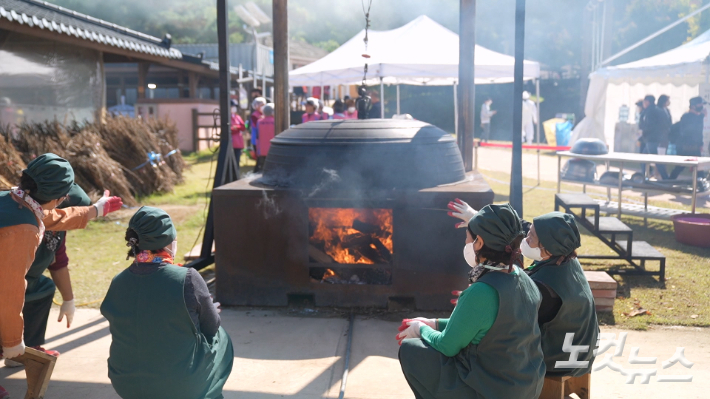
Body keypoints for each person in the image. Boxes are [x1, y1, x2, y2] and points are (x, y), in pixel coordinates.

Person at [0, 154, 122, 398]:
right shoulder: (24, 230)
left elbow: (50, 217)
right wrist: (13, 340)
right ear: (57, 198)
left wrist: (94, 211)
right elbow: (8, 289)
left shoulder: (13, 199)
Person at [397, 203, 545, 399]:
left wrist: (420, 329)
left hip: (492, 390)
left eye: (467, 238)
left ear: (479, 242)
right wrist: (434, 323)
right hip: (526, 386)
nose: (465, 243)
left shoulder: (481, 291)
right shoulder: (523, 278)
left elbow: (448, 346)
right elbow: (484, 325)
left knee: (411, 350)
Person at [101, 207, 233, 399]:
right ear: (169, 242)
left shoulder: (118, 281)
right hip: (178, 387)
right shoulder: (187, 278)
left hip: (126, 384)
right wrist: (209, 309)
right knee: (222, 338)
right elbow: (211, 327)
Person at [4, 183, 91, 368]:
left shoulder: (58, 232)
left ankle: (27, 348)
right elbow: (9, 281)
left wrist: (69, 300)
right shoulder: (24, 224)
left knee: (45, 287)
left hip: (28, 280)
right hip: (7, 279)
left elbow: (59, 263)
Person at [520, 212, 599, 377]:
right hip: (582, 357)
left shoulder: (544, 287)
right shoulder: (567, 259)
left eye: (531, 237)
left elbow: (516, 322)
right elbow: (530, 227)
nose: (526, 239)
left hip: (553, 362)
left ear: (548, 247)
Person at [669, 97, 707, 179]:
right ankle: (670, 180)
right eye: (699, 104)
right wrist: (701, 117)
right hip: (685, 146)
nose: (702, 107)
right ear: (693, 106)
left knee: (698, 166)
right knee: (681, 166)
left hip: (694, 146)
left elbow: (698, 133)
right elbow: (690, 131)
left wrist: (700, 144)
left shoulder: (697, 117)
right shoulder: (687, 116)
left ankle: (701, 183)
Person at [639, 95, 671, 179]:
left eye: (644, 102)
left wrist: (643, 132)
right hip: (658, 138)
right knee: (644, 157)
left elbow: (649, 125)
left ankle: (665, 178)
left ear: (647, 102)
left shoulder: (650, 111)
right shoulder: (659, 110)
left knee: (657, 160)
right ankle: (644, 175)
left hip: (651, 138)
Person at [255, 103, 275, 173]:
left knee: (263, 169)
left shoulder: (259, 122)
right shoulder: (275, 121)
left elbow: (257, 136)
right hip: (273, 150)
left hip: (262, 150)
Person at [230, 99, 245, 173]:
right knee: (231, 161)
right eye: (232, 106)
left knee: (237, 159)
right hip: (232, 141)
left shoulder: (237, 117)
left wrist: (237, 127)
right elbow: (230, 129)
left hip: (238, 141)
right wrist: (236, 128)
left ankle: (236, 173)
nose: (234, 108)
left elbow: (243, 127)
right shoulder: (228, 117)